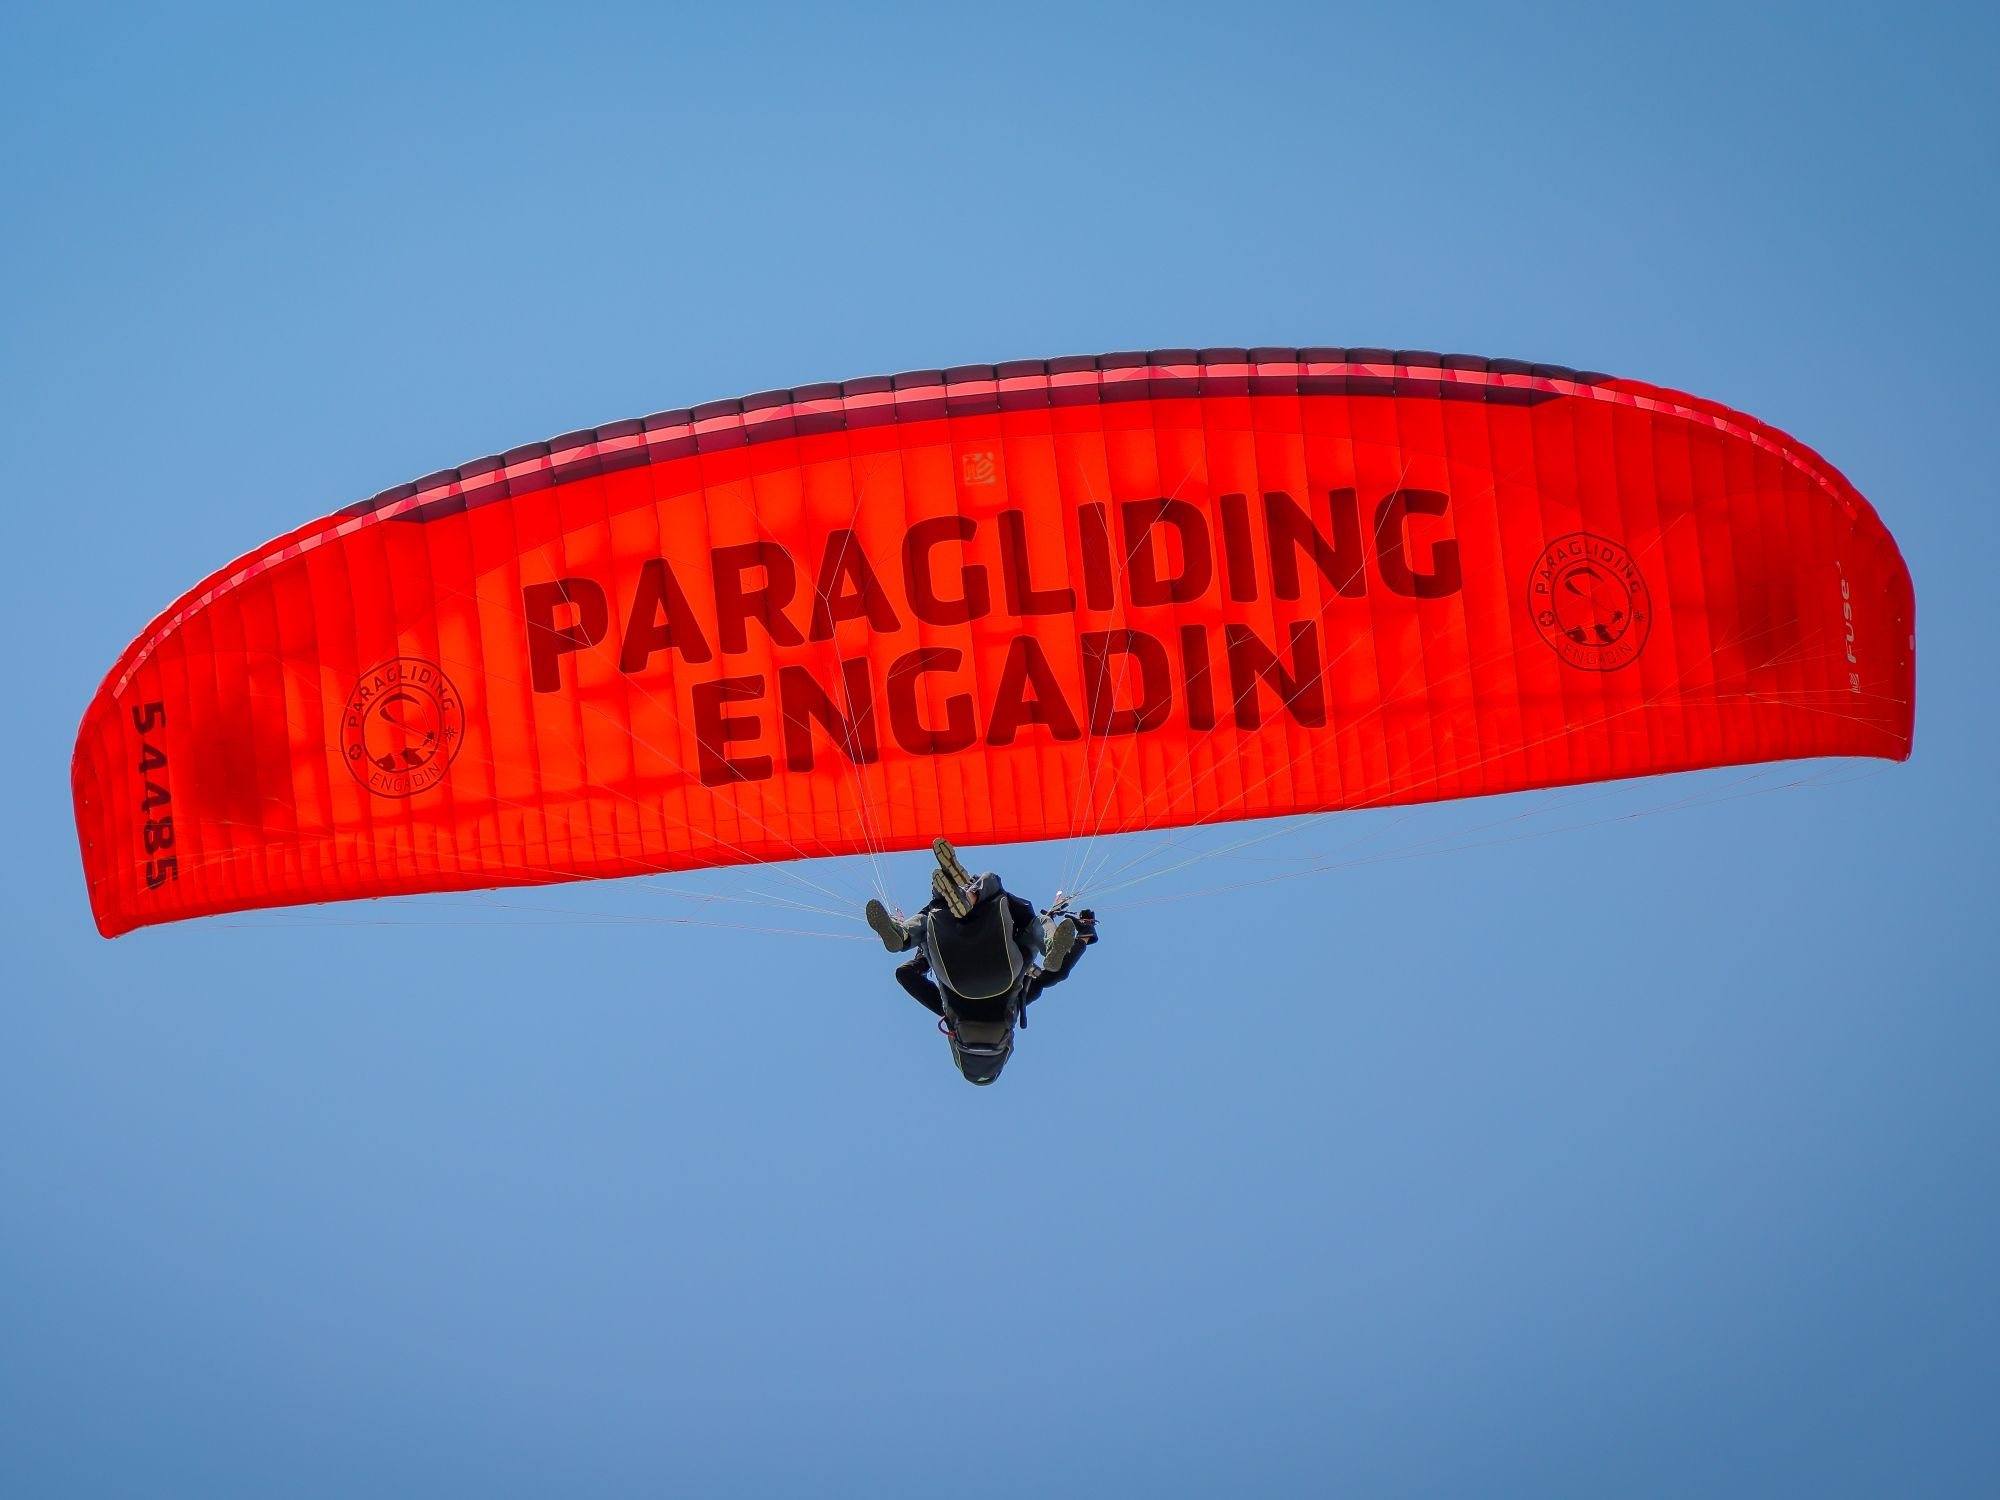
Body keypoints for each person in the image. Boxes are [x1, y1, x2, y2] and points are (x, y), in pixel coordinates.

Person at [864, 839, 1098, 1085]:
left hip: (1004, 969)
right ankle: (905, 936)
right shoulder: (947, 1011)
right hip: (953, 971)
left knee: (1014, 903)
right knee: (939, 911)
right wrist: (925, 959)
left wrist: (1082, 939)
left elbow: (1054, 975)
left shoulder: (1014, 1007)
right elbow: (905, 975)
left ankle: (1039, 936)